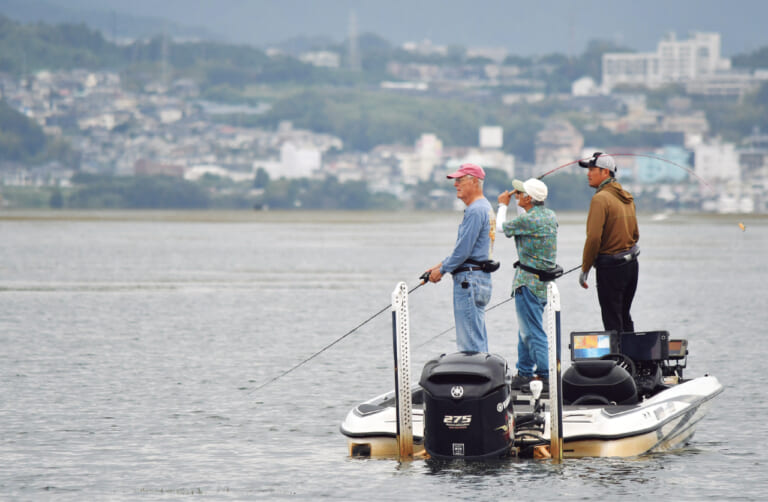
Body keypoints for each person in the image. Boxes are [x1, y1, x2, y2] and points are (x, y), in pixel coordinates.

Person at [425, 163, 495, 353]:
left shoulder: (475, 210)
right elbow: (465, 250)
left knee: (469, 343)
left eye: (459, 180)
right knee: (476, 336)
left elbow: (463, 251)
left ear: (474, 182)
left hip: (469, 281)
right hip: (480, 279)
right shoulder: (485, 207)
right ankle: (484, 375)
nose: (456, 184)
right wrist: (439, 266)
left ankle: (475, 379)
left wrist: (442, 270)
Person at [496, 178, 558, 389]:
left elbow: (500, 228)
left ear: (530, 198)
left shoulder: (529, 220)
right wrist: (517, 201)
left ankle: (545, 375)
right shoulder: (549, 216)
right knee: (526, 330)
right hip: (542, 284)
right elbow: (525, 220)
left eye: (521, 193)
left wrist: (503, 204)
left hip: (528, 283)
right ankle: (524, 372)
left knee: (533, 331)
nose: (517, 195)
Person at [578, 152, 640, 334]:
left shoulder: (600, 199)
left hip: (611, 269)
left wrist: (585, 268)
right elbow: (635, 234)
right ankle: (633, 359)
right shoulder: (627, 197)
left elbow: (594, 238)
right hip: (631, 266)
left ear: (605, 172)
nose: (588, 173)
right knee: (624, 315)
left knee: (612, 319)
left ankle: (618, 361)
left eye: (592, 169)